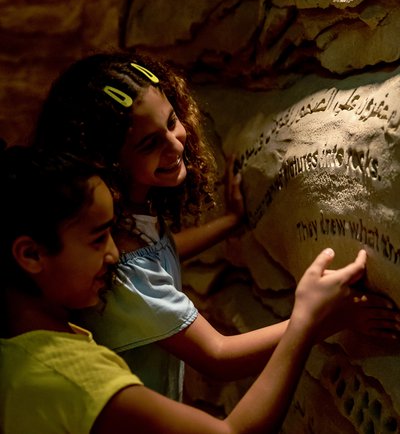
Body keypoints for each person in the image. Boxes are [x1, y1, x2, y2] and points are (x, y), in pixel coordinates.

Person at [33, 52, 400, 401]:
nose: (173, 144)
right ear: (105, 158)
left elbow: (162, 249)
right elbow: (219, 356)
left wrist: (230, 224)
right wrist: (322, 318)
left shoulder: (127, 221)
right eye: (149, 143)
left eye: (172, 121)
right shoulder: (121, 265)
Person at [0, 141, 395, 434]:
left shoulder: (26, 344)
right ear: (31, 254)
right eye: (98, 238)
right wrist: (307, 320)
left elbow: (164, 250)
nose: (114, 254)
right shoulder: (74, 379)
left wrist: (228, 223)